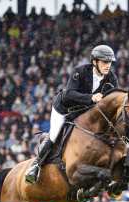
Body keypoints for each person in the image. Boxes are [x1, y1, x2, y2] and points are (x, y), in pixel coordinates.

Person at [25, 45, 119, 184]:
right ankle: (36, 166)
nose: (108, 65)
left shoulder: (111, 78)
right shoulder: (80, 72)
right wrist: (91, 97)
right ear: (95, 62)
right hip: (64, 109)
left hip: (84, 113)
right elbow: (69, 94)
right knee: (54, 135)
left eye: (110, 62)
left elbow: (112, 101)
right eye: (105, 62)